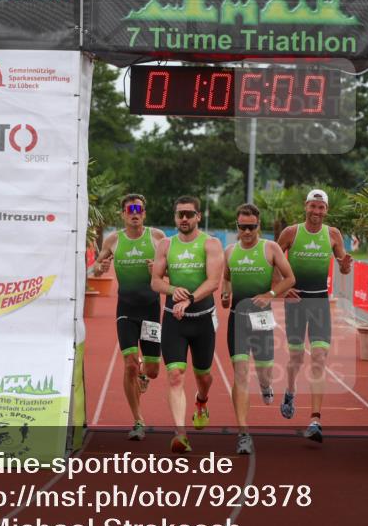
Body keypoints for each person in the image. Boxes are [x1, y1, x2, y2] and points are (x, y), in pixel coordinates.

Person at [276, 189, 353, 443]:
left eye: (321, 208)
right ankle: (289, 390)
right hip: (296, 302)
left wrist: (344, 264)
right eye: (313, 206)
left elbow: (343, 266)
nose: (317, 212)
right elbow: (271, 261)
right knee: (297, 357)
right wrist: (283, 288)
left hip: (320, 302)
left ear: (326, 210)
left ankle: (315, 419)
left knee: (319, 357)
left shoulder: (332, 234)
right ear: (305, 207)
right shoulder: (291, 233)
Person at [151, 196, 223, 454]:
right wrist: (173, 289)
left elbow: (214, 281)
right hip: (174, 320)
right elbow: (156, 282)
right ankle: (180, 433)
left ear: (198, 217)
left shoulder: (211, 244)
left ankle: (201, 400)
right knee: (175, 374)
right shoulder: (165, 245)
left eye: (189, 214)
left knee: (203, 376)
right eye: (180, 214)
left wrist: (191, 298)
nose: (184, 218)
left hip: (202, 320)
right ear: (175, 217)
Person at [221, 203, 295, 455]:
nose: (247, 232)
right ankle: (243, 433)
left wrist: (270, 293)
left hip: (262, 317)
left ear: (258, 226)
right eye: (242, 227)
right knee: (240, 373)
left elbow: (289, 278)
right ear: (237, 226)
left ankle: (265, 385)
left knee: (264, 372)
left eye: (251, 227)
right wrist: (225, 293)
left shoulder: (270, 248)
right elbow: (227, 278)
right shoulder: (229, 251)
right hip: (237, 318)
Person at [93, 194, 166, 441]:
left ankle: (145, 375)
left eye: (139, 209)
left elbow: (171, 272)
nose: (134, 213)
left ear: (144, 214)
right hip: (126, 310)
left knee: (153, 369)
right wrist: (100, 268)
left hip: (151, 310)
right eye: (130, 209)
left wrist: (157, 269)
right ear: (123, 214)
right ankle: (138, 420)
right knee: (130, 364)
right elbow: (96, 266)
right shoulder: (114, 240)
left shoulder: (157, 238)